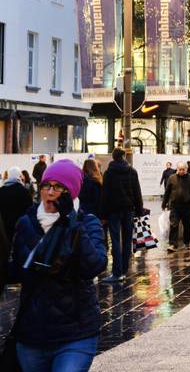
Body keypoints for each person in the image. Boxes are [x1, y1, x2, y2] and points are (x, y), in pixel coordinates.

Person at [8, 159, 107, 371]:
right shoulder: (26, 222)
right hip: (33, 333)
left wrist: (71, 222)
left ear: (70, 192)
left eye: (58, 187)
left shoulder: (87, 222)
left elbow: (94, 266)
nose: (50, 192)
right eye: (46, 185)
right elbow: (17, 271)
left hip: (76, 332)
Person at [101, 147, 143, 282]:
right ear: (124, 156)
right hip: (129, 209)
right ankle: (124, 270)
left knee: (115, 240)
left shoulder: (109, 173)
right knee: (127, 240)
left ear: (113, 157)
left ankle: (117, 272)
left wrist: (104, 213)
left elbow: (105, 195)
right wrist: (139, 209)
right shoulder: (132, 171)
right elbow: (137, 191)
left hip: (114, 210)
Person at [163, 161, 190, 252]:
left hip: (186, 206)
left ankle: (186, 243)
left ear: (186, 169)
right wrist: (164, 203)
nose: (182, 171)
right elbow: (167, 192)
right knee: (174, 224)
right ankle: (173, 244)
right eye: (180, 169)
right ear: (177, 169)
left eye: (183, 169)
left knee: (187, 225)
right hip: (175, 206)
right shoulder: (172, 178)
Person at [0, 167, 34, 245]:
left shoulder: (1, 191)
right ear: (18, 176)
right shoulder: (24, 191)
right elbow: (30, 209)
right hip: (21, 225)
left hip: (6, 225)